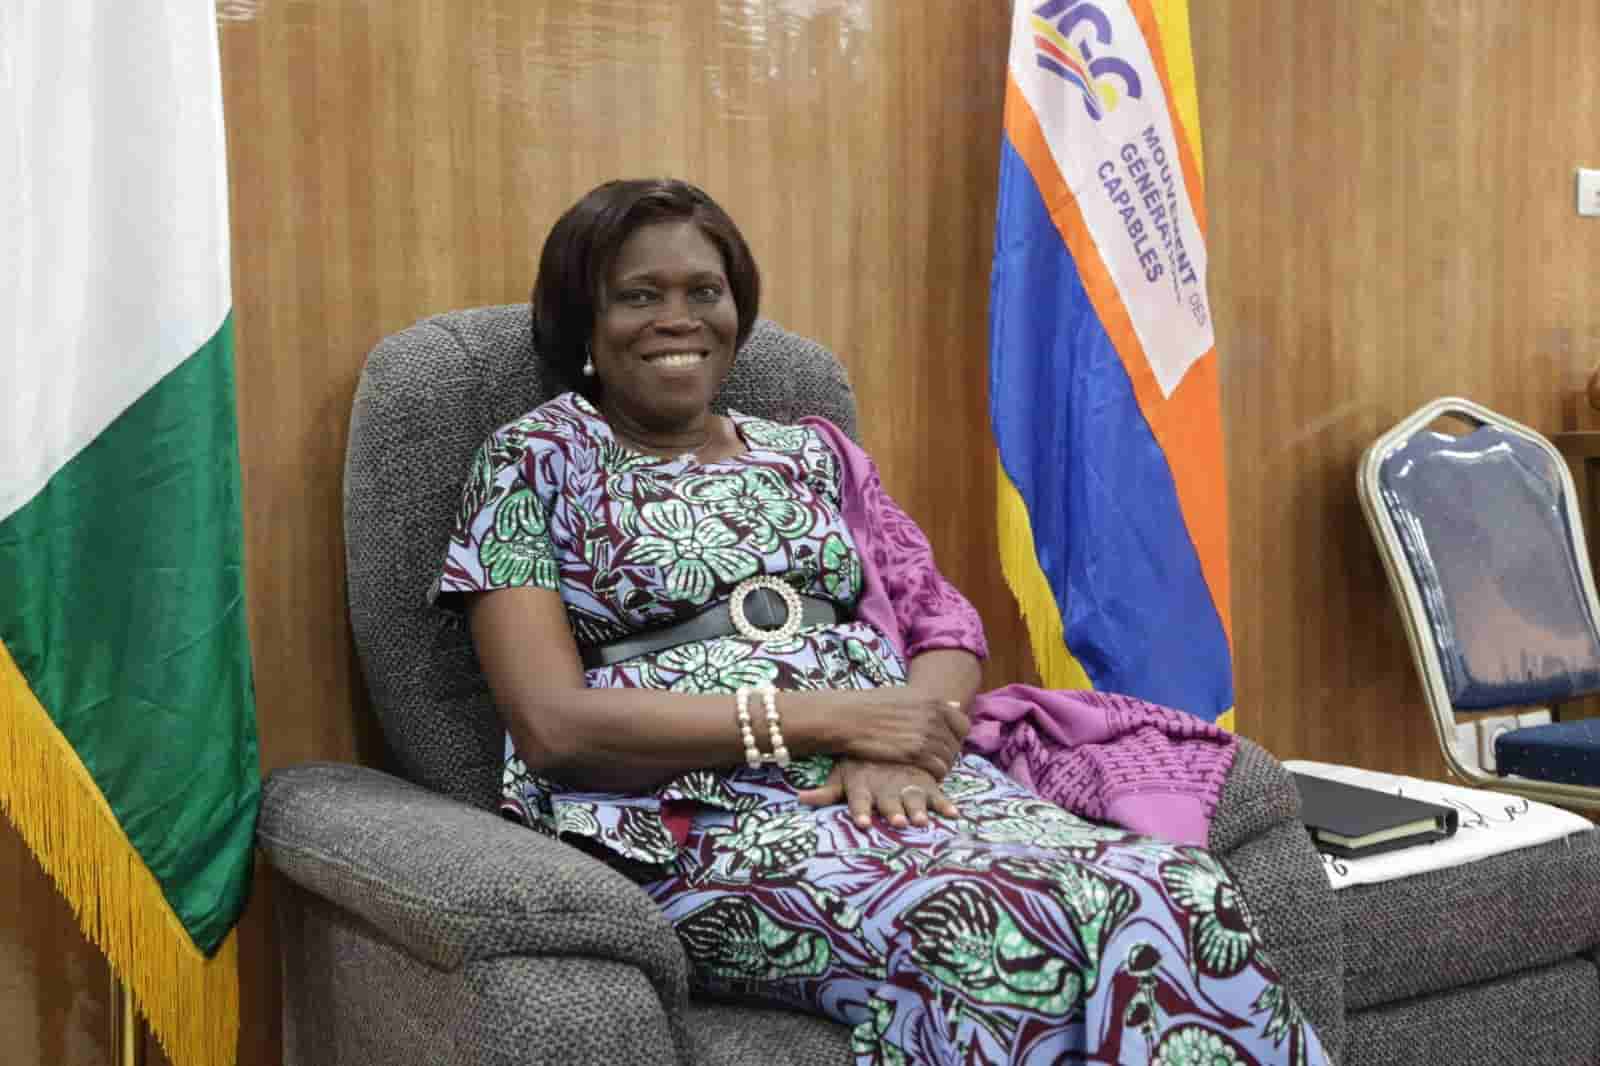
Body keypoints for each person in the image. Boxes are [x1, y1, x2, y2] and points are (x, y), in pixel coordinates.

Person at [432, 178, 1327, 1066]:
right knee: (997, 929)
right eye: (638, 296)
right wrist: (833, 720)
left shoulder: (811, 455)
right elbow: (552, 726)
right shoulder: (530, 462)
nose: (678, 319)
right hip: (698, 822)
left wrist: (902, 746)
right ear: (582, 323)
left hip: (897, 781)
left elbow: (944, 629)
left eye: (704, 291)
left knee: (1174, 886)